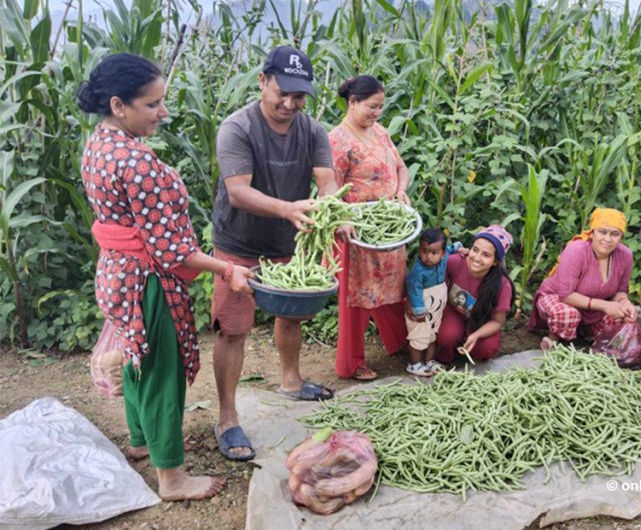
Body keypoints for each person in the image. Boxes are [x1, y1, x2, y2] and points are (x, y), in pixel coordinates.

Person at [78, 53, 255, 501]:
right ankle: (171, 477)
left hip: (117, 272)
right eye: (153, 104)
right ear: (119, 105)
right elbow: (172, 250)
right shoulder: (137, 163)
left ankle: (141, 441)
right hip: (147, 282)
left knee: (138, 360)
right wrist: (227, 269)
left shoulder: (99, 143)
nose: (164, 112)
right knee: (162, 373)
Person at [211, 45, 338, 461]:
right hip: (239, 244)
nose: (288, 104)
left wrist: (332, 210)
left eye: (298, 97)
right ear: (263, 81)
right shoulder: (238, 127)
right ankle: (228, 418)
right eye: (280, 92)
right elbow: (238, 191)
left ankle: (290, 380)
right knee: (234, 328)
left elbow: (326, 181)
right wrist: (288, 209)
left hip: (289, 241)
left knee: (291, 313)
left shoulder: (313, 131)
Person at [329, 75, 410, 381]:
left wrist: (400, 191)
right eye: (372, 106)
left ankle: (401, 342)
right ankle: (350, 363)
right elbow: (329, 191)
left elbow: (401, 168)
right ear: (352, 102)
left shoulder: (380, 132)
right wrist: (343, 217)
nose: (377, 113)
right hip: (358, 233)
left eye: (381, 107)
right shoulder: (337, 141)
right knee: (358, 298)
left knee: (392, 286)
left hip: (388, 227)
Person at [528, 208, 636, 350]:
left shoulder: (625, 255)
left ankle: (584, 333)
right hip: (559, 299)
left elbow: (620, 291)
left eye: (615, 234)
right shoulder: (576, 250)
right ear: (592, 232)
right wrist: (604, 305)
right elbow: (565, 295)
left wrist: (624, 302)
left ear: (621, 236)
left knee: (624, 320)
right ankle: (554, 337)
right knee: (567, 314)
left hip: (594, 307)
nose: (608, 239)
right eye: (602, 232)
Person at [435, 225, 515, 363]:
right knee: (447, 336)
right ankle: (446, 358)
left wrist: (476, 335)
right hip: (455, 313)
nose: (477, 258)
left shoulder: (502, 285)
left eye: (486, 255)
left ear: (495, 261)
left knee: (487, 348)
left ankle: (472, 346)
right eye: (475, 250)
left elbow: (497, 321)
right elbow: (433, 264)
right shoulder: (456, 262)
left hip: (481, 321)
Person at [404, 228, 462, 376]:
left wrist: (459, 248)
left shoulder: (443, 258)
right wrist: (418, 310)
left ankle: (430, 361)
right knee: (419, 335)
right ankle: (415, 364)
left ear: (442, 254)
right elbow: (414, 290)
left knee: (433, 334)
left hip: (436, 308)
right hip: (423, 308)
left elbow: (450, 249)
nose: (428, 256)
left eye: (434, 253)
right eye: (424, 251)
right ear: (419, 250)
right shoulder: (418, 272)